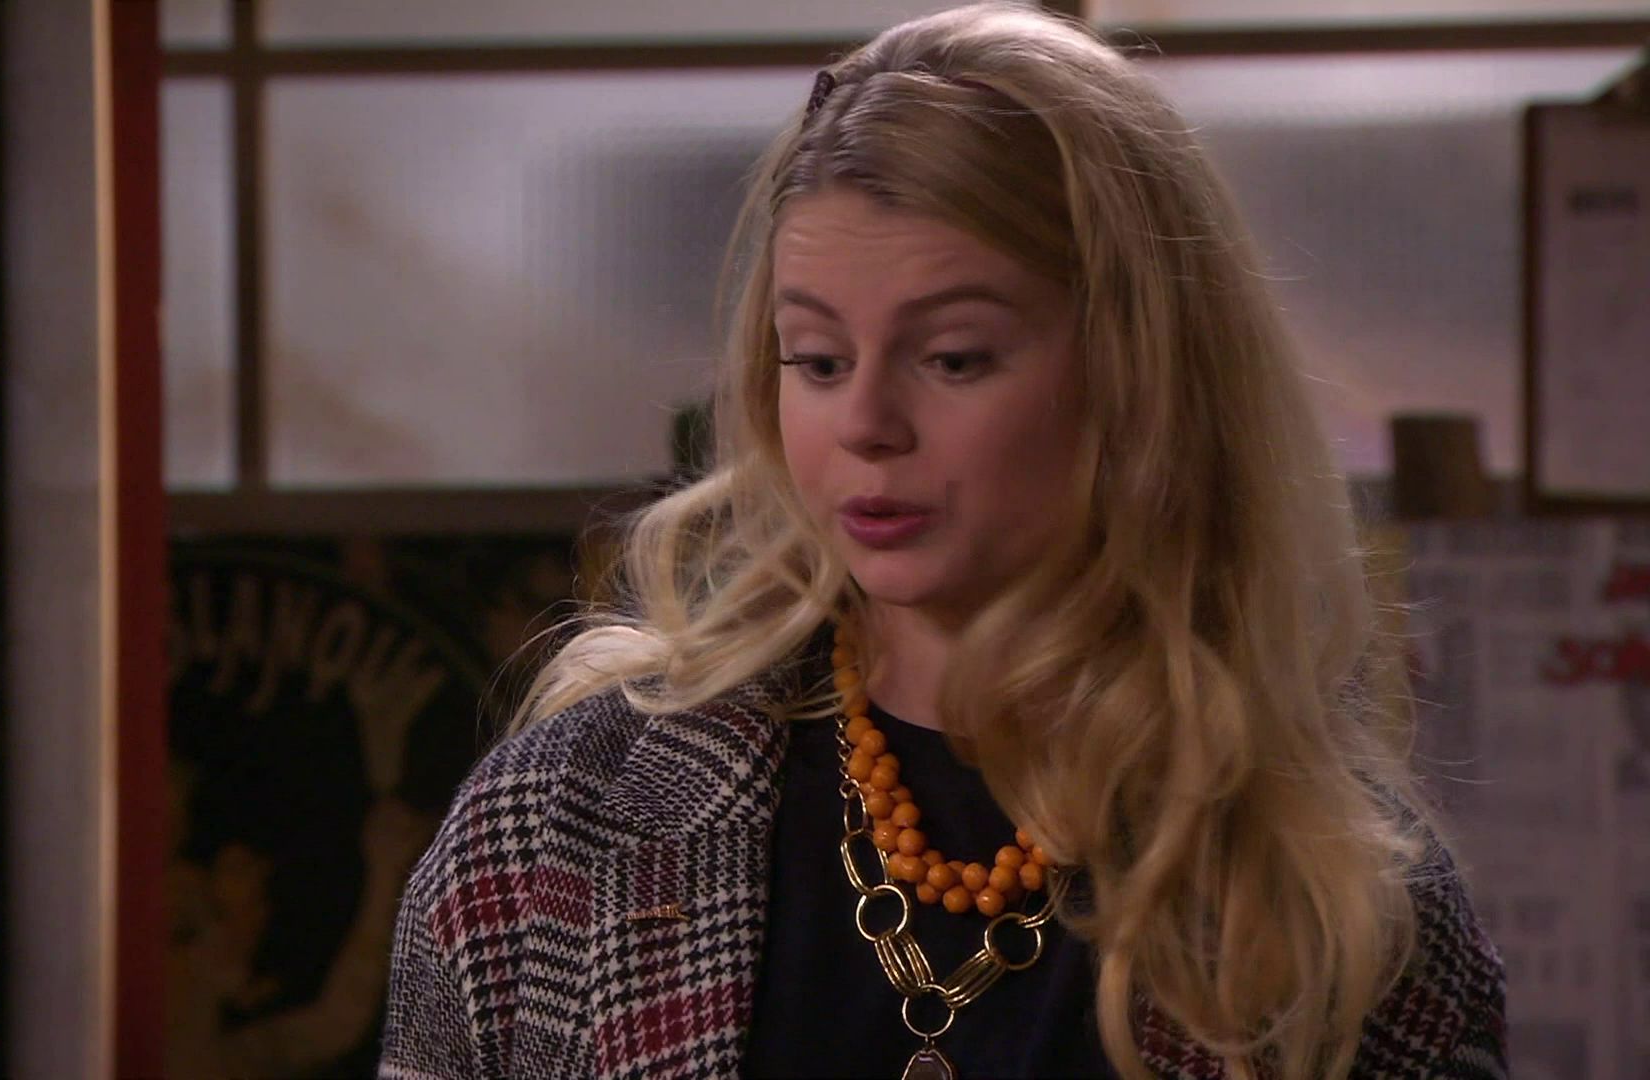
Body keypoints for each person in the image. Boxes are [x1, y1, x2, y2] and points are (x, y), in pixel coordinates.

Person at [376, 5, 1507, 1079]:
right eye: (819, 361)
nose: (866, 424)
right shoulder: (561, 830)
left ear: (1138, 381)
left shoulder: (1334, 904)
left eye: (954, 358)